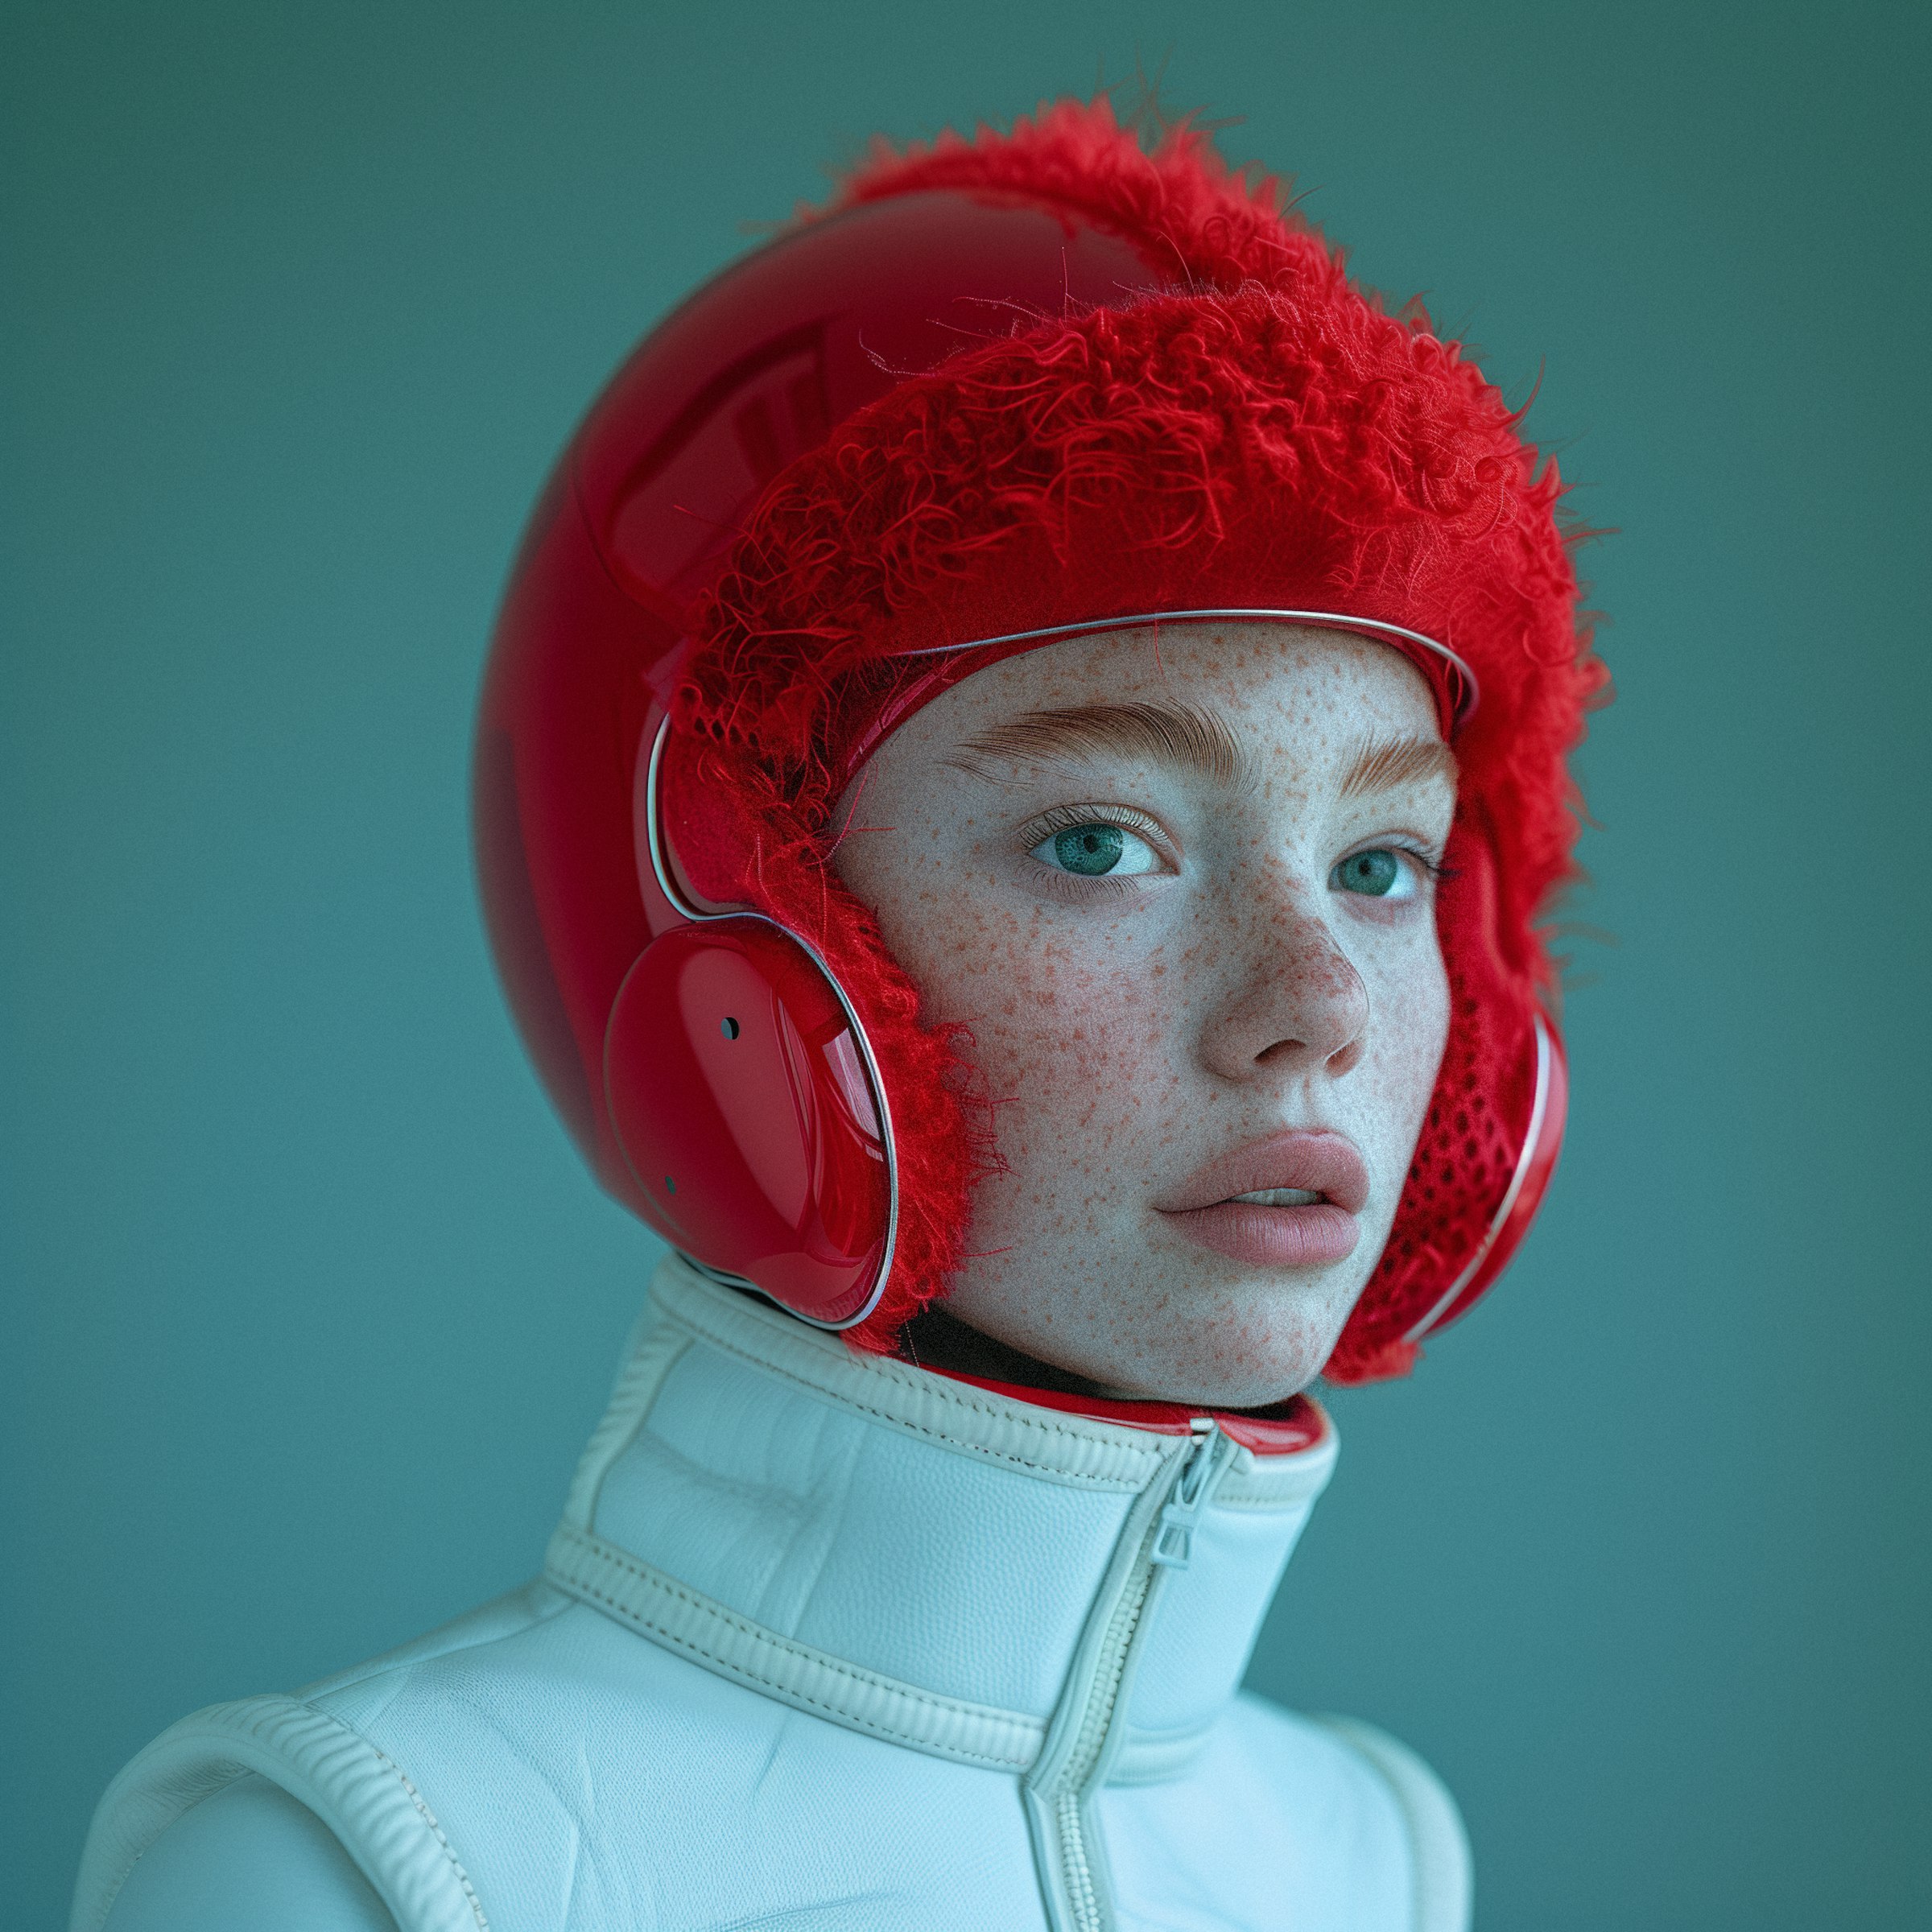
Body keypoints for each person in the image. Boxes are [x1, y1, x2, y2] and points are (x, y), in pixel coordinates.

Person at [71, 97, 1603, 1932]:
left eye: (1382, 864)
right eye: (1100, 841)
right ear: (751, 955)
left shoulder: (1376, 1857)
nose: (1318, 1012)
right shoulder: (359, 1870)